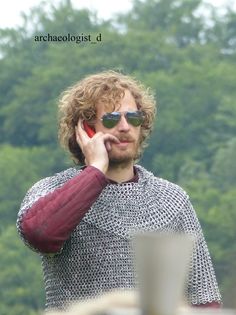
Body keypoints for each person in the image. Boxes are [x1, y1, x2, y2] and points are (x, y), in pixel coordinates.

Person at [16, 71, 222, 311]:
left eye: (133, 118)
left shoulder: (172, 200)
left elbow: (204, 299)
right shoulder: (54, 190)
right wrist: (95, 171)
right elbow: (39, 235)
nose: (125, 127)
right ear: (85, 130)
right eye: (112, 119)